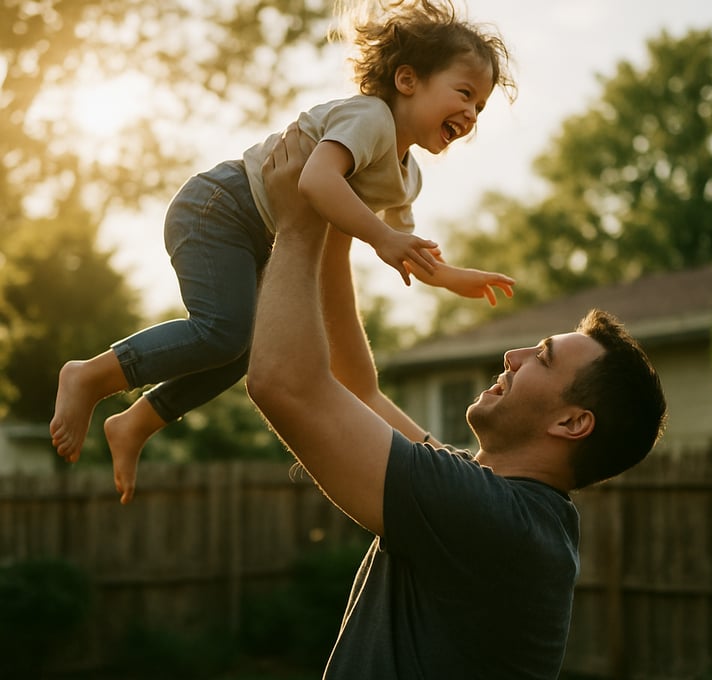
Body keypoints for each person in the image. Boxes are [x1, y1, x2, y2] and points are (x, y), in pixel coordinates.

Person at [48, 0, 516, 503]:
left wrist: (451, 277)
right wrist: (381, 238)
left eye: (480, 107)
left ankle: (139, 419)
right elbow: (315, 181)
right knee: (224, 331)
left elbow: (408, 248)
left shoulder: (408, 177)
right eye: (464, 94)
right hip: (220, 208)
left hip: (256, 235)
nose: (471, 113)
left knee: (247, 345)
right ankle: (91, 375)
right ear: (407, 80)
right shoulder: (369, 117)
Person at [246, 125, 667, 678]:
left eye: (541, 357)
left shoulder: (492, 521)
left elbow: (284, 383)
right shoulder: (497, 503)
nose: (512, 355)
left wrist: (298, 225)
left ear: (571, 421)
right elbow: (359, 391)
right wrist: (340, 220)